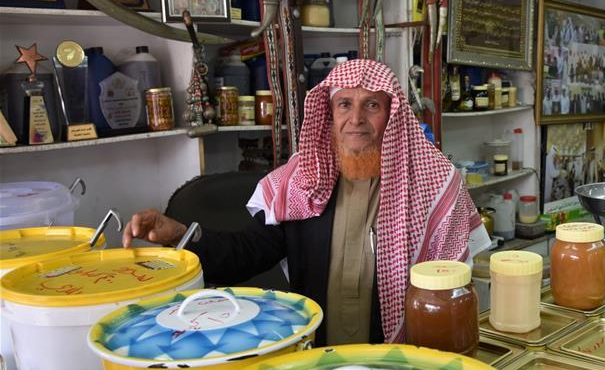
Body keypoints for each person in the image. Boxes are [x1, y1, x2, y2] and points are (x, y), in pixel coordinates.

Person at [123, 59, 490, 346]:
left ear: (392, 115)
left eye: (371, 105)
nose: (356, 119)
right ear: (329, 116)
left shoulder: (435, 185)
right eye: (344, 104)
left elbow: (452, 288)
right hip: (316, 354)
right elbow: (246, 252)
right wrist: (180, 234)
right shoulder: (303, 182)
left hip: (403, 357)